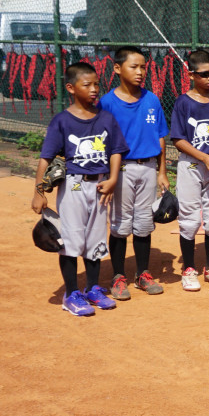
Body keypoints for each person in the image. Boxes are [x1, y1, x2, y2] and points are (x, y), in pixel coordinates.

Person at [32, 62, 128, 316]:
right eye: (87, 85)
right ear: (71, 88)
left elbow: (117, 150)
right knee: (72, 240)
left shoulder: (106, 118)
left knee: (95, 240)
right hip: (73, 185)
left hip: (100, 185)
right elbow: (46, 157)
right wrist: (39, 192)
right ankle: (71, 293)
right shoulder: (62, 121)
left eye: (97, 84)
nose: (94, 89)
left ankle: (93, 288)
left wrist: (113, 178)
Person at [100, 46, 169, 299]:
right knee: (120, 224)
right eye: (134, 67)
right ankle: (118, 277)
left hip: (149, 167)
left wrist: (162, 171)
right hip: (122, 170)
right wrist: (108, 175)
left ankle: (142, 274)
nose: (140, 72)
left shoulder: (151, 99)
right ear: (117, 68)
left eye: (143, 67)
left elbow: (161, 136)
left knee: (143, 224)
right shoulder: (107, 102)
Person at [169, 49, 209, 291]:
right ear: (192, 74)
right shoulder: (183, 102)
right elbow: (178, 139)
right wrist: (206, 157)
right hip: (191, 165)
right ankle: (188, 268)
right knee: (188, 220)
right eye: (205, 74)